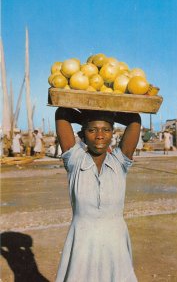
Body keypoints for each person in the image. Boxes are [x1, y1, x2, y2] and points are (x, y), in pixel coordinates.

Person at [55, 108, 141, 282]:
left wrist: (107, 115)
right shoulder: (74, 161)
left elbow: (135, 120)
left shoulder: (119, 161)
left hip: (114, 240)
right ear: (83, 134)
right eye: (92, 130)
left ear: (112, 134)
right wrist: (87, 118)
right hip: (82, 239)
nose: (100, 135)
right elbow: (61, 113)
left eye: (106, 129)